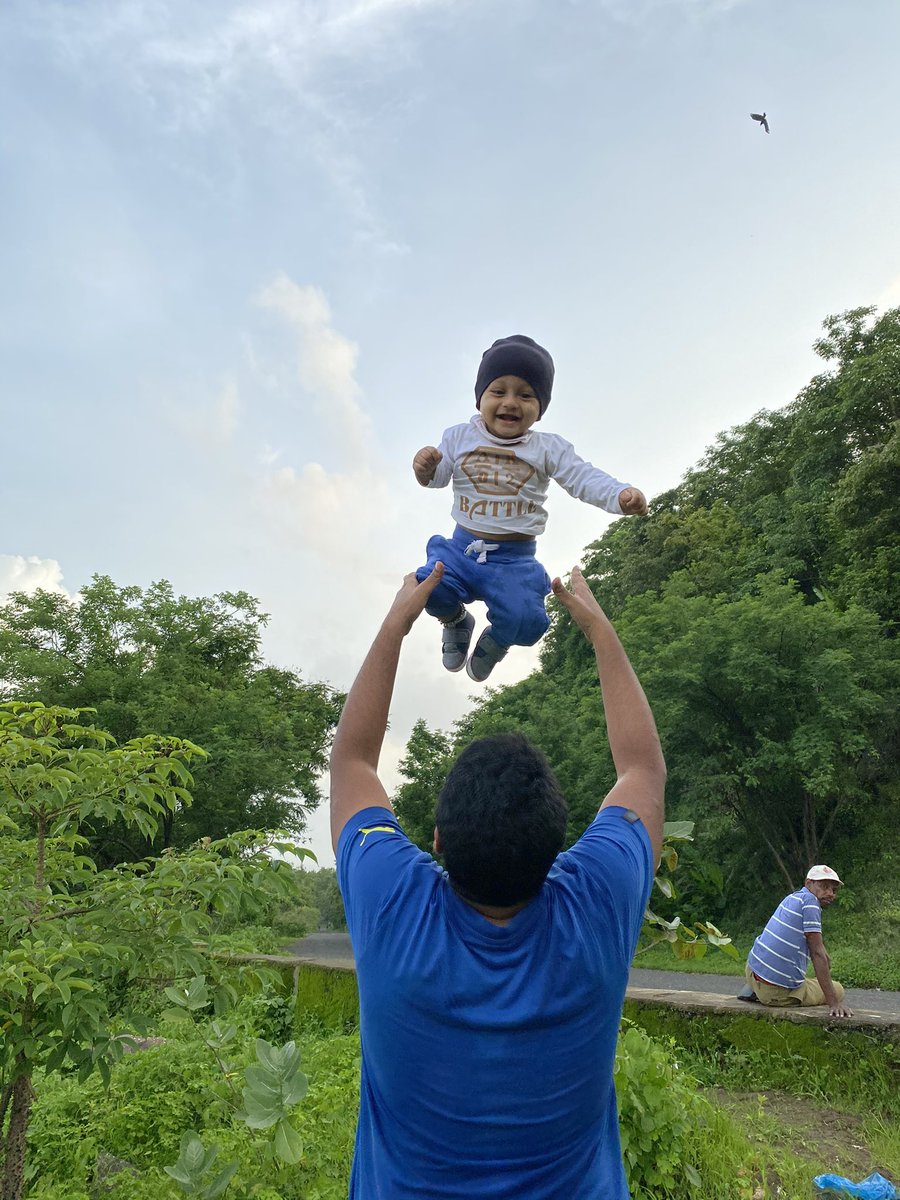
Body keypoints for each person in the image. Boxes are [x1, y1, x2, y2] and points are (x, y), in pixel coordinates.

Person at [330, 563, 666, 1199]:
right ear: (556, 851)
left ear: (437, 841)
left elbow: (351, 762)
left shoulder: (393, 903)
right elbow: (642, 770)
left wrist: (397, 623)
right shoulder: (597, 903)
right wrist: (598, 629)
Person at [413, 334, 647, 682]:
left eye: (525, 395)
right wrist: (427, 469)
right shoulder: (459, 437)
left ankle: (499, 638)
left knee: (528, 621)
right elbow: (438, 477)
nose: (511, 402)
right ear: (480, 399)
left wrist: (619, 495)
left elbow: (582, 477)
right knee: (427, 587)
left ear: (540, 408)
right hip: (462, 550)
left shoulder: (547, 449)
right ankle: (456, 621)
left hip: (514, 561)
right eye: (498, 391)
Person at [741, 865, 852, 1017]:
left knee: (808, 979)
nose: (830, 893)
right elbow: (817, 954)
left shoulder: (793, 898)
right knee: (838, 989)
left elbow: (817, 947)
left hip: (752, 970)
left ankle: (756, 989)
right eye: (824, 887)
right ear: (809, 883)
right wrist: (834, 1003)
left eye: (833, 889)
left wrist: (824, 956)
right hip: (776, 992)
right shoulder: (811, 903)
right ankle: (766, 993)